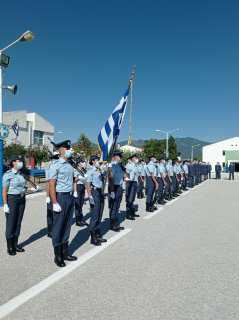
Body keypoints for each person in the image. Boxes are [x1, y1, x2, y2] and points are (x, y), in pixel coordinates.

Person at [48, 140, 77, 267]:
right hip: (60, 197)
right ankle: (58, 255)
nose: (69, 150)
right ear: (60, 150)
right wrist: (54, 202)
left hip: (69, 197)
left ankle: (65, 252)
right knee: (58, 226)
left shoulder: (71, 164)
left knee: (67, 225)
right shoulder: (55, 165)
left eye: (69, 148)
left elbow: (74, 178)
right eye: (67, 148)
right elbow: (51, 184)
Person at [2, 155, 27, 256]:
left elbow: (23, 186)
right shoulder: (8, 174)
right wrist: (5, 204)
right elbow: (4, 191)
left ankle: (15, 244)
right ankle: (10, 247)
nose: (20, 162)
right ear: (13, 163)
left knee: (18, 222)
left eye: (21, 161)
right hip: (12, 199)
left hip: (22, 199)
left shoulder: (21, 174)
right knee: (11, 223)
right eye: (18, 161)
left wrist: (28, 190)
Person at [86, 155, 107, 246]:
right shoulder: (90, 171)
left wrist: (104, 170)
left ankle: (98, 235)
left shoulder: (100, 170)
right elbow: (87, 184)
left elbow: (104, 179)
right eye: (97, 160)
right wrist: (90, 196)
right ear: (93, 161)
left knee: (99, 214)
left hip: (100, 192)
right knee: (94, 215)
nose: (99, 161)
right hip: (94, 192)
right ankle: (93, 237)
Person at [108, 150, 125, 231]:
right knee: (113, 207)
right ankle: (112, 224)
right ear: (115, 156)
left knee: (117, 206)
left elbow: (123, 175)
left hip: (119, 187)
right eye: (120, 156)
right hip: (114, 187)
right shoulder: (112, 165)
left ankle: (116, 223)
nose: (121, 158)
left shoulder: (119, 165)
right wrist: (111, 191)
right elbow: (111, 178)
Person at [45, 151, 59, 238]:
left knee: (57, 212)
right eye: (55, 157)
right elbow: (48, 183)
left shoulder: (59, 166)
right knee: (50, 213)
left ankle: (56, 229)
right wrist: (47, 196)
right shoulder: (50, 167)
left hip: (59, 192)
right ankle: (50, 231)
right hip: (51, 192)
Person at [73, 157, 88, 227]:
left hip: (82, 187)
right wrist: (75, 191)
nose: (84, 163)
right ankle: (78, 221)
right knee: (77, 205)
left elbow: (85, 181)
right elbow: (74, 181)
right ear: (79, 163)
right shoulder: (76, 170)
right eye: (82, 162)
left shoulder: (83, 170)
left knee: (81, 204)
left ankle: (81, 219)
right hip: (78, 188)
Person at [125, 154, 140, 219]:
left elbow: (137, 174)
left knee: (132, 198)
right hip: (129, 182)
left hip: (134, 182)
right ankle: (128, 214)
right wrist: (126, 183)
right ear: (132, 159)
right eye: (135, 158)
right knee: (129, 199)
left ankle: (132, 212)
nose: (136, 159)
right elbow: (126, 173)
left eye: (136, 158)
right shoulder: (129, 165)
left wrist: (137, 182)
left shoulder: (135, 165)